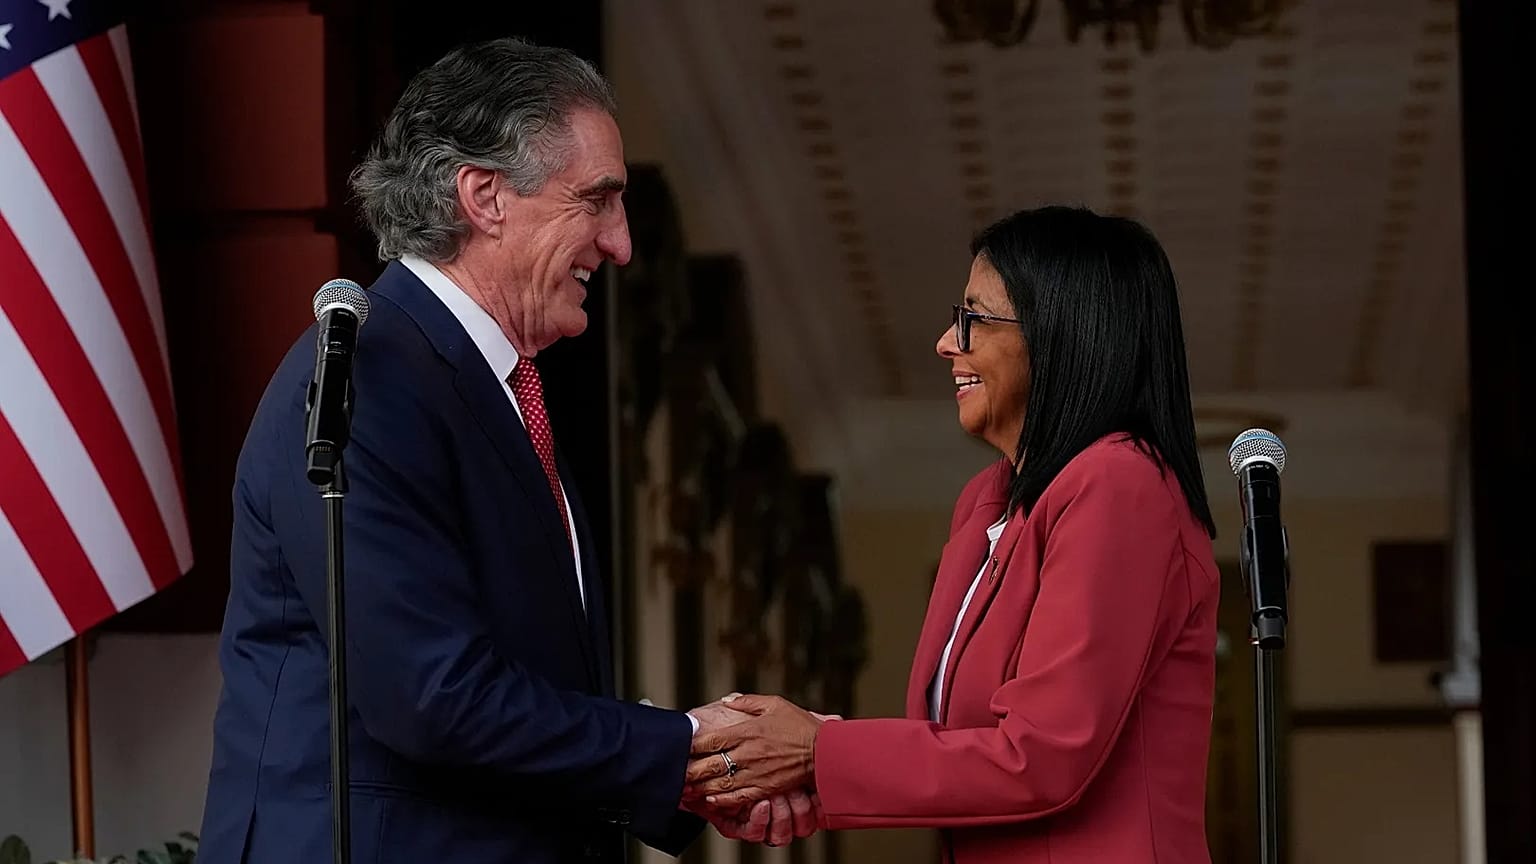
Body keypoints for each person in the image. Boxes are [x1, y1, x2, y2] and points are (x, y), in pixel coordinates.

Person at [197, 38, 812, 863]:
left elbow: (523, 688)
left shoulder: (486, 387)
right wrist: (690, 747)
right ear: (484, 196)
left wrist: (693, 773)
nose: (620, 244)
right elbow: (434, 695)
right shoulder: (369, 379)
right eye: (597, 201)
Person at [687, 205, 1222, 863]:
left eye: (974, 318)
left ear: (1062, 335)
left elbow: (1041, 756)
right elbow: (956, 753)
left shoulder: (1120, 480)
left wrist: (815, 754)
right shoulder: (986, 503)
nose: (946, 342)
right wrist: (801, 775)